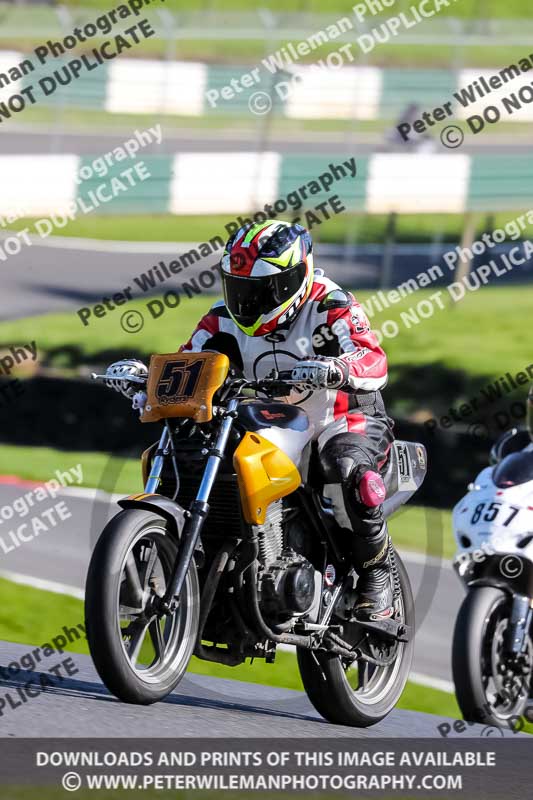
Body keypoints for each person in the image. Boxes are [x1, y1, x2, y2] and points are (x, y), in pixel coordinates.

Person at [180, 220, 395, 620]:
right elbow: (188, 362)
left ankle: (375, 574)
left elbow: (374, 360)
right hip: (276, 423)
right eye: (238, 288)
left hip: (343, 417)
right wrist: (148, 383)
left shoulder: (332, 305)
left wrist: (337, 369)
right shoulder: (221, 318)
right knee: (205, 452)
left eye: (260, 291)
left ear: (294, 278)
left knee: (346, 468)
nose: (246, 302)